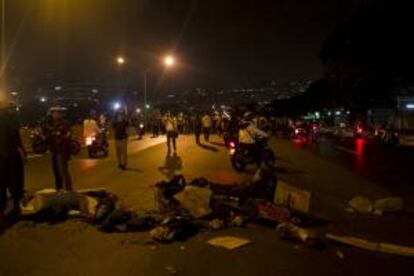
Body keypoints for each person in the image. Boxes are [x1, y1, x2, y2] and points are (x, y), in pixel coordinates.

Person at [0, 102, 26, 226]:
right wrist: (23, 153)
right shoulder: (13, 120)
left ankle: (2, 209)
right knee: (15, 182)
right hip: (11, 155)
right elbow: (17, 139)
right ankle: (16, 207)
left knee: (2, 183)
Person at [47, 106, 73, 191]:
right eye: (53, 113)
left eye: (56, 113)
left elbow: (67, 136)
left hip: (62, 151)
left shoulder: (64, 124)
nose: (54, 115)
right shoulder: (51, 124)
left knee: (63, 171)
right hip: (54, 150)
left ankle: (68, 190)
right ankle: (59, 189)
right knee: (56, 172)